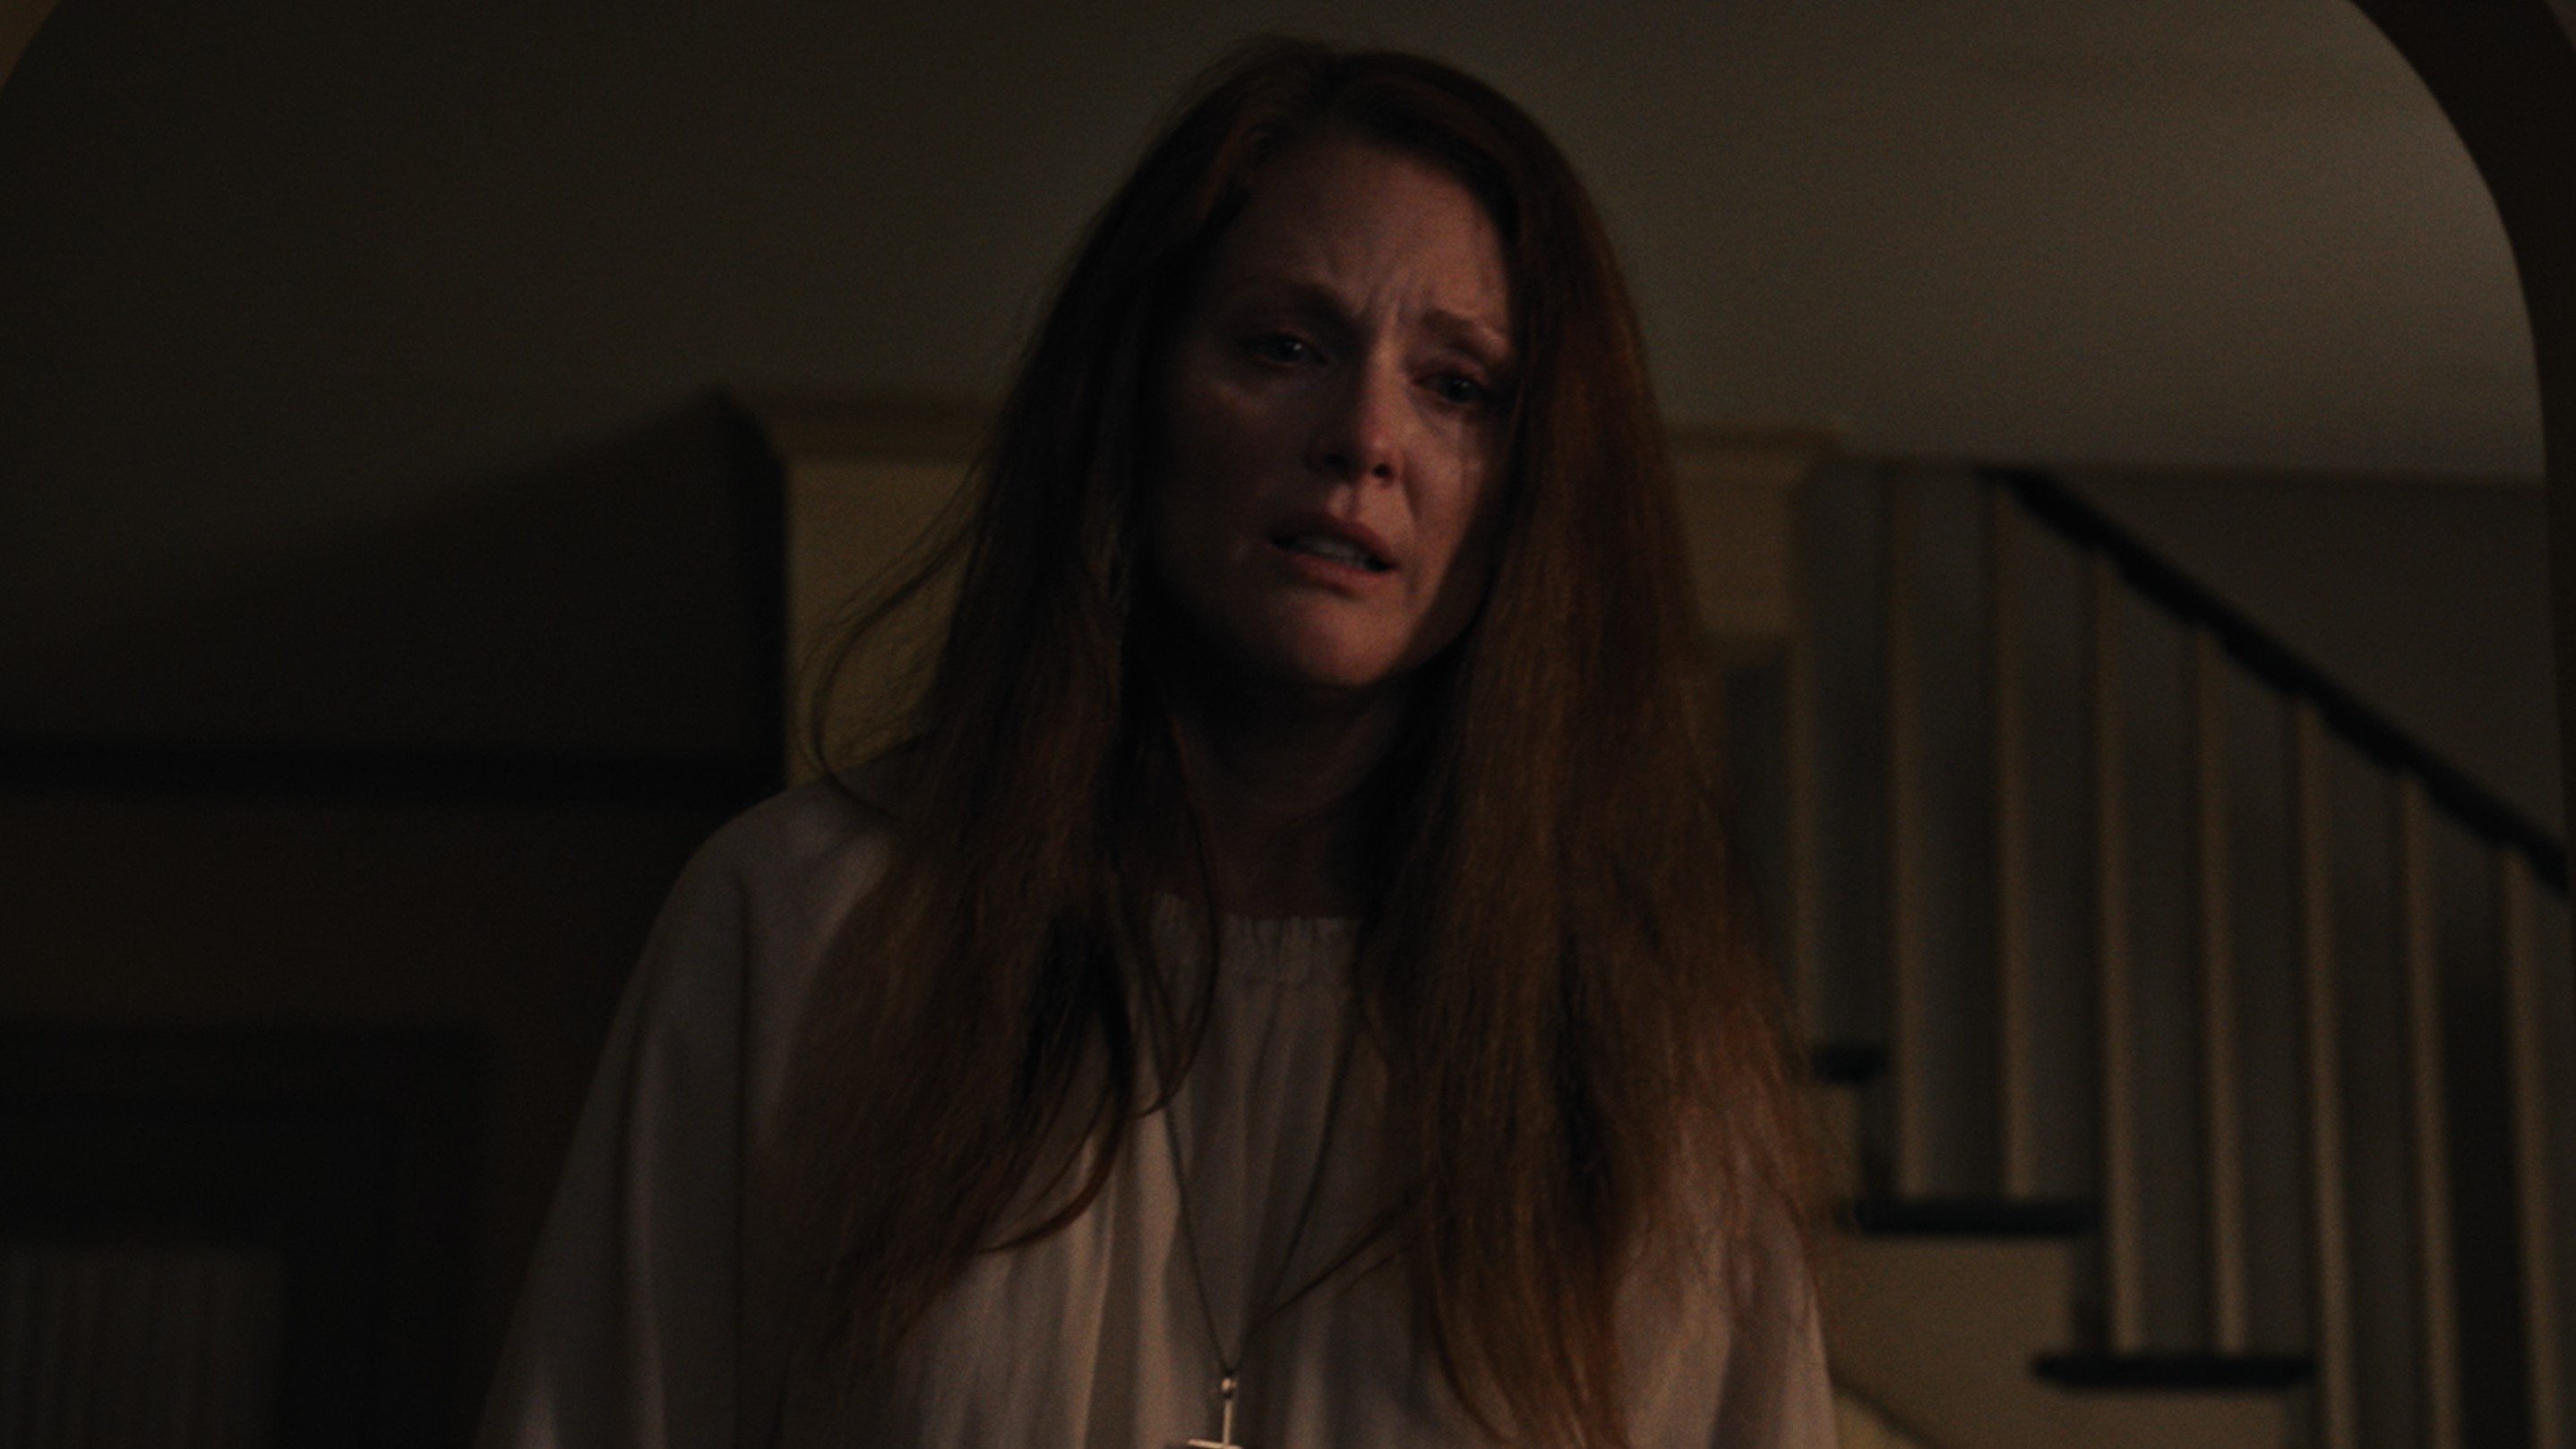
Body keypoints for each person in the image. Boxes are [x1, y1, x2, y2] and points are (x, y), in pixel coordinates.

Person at [477, 37, 1834, 1449]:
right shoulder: (810, 926)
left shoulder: (1647, 1062)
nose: (1365, 435)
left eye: (1460, 385)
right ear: (1138, 393)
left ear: (1536, 482)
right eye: (1286, 346)